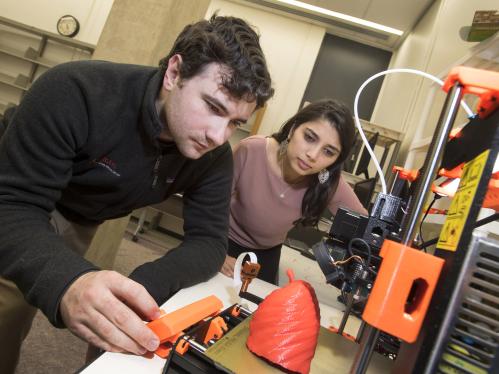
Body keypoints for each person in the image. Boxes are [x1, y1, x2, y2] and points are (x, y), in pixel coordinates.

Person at [0, 14, 273, 373]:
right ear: (174, 73)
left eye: (235, 123)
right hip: (13, 193)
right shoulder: (75, 90)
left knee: (25, 308)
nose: (218, 136)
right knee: (7, 308)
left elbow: (209, 241)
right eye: (213, 107)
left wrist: (143, 284)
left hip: (80, 213)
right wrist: (67, 280)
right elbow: (13, 206)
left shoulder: (214, 157)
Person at [220, 99, 367, 284]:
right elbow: (209, 203)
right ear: (293, 129)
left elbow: (366, 230)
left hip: (267, 254)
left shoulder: (328, 181)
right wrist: (215, 253)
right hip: (221, 241)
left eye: (328, 152)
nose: (313, 155)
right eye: (310, 138)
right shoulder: (251, 150)